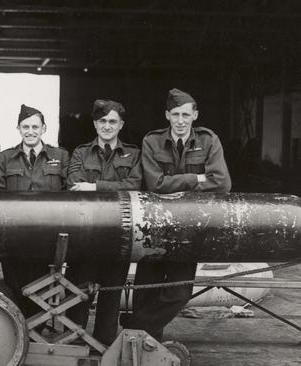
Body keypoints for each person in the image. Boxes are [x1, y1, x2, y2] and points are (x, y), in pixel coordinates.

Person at [120, 88, 231, 341]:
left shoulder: (209, 140)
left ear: (195, 116)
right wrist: (198, 178)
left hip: (189, 227)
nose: (181, 120)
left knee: (179, 292)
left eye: (185, 114)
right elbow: (154, 184)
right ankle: (146, 345)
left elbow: (223, 183)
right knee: (146, 290)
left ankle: (133, 326)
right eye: (175, 114)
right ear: (167, 116)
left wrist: (174, 180)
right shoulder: (152, 141)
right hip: (154, 225)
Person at [66, 99, 142, 346]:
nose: (107, 126)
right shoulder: (80, 153)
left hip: (118, 236)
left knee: (111, 295)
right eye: (102, 121)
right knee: (79, 293)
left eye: (112, 121)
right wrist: (105, 188)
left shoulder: (134, 154)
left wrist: (95, 186)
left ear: (121, 125)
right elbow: (75, 185)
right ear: (95, 124)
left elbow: (135, 186)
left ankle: (104, 347)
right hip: (85, 234)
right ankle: (73, 343)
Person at [0, 104, 69, 315]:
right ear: (18, 129)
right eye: (25, 126)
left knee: (43, 286)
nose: (30, 131)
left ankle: (38, 330)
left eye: (35, 127)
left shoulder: (60, 156)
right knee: (16, 286)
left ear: (44, 128)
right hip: (13, 237)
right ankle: (19, 329)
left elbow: (67, 195)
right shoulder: (5, 158)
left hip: (48, 236)